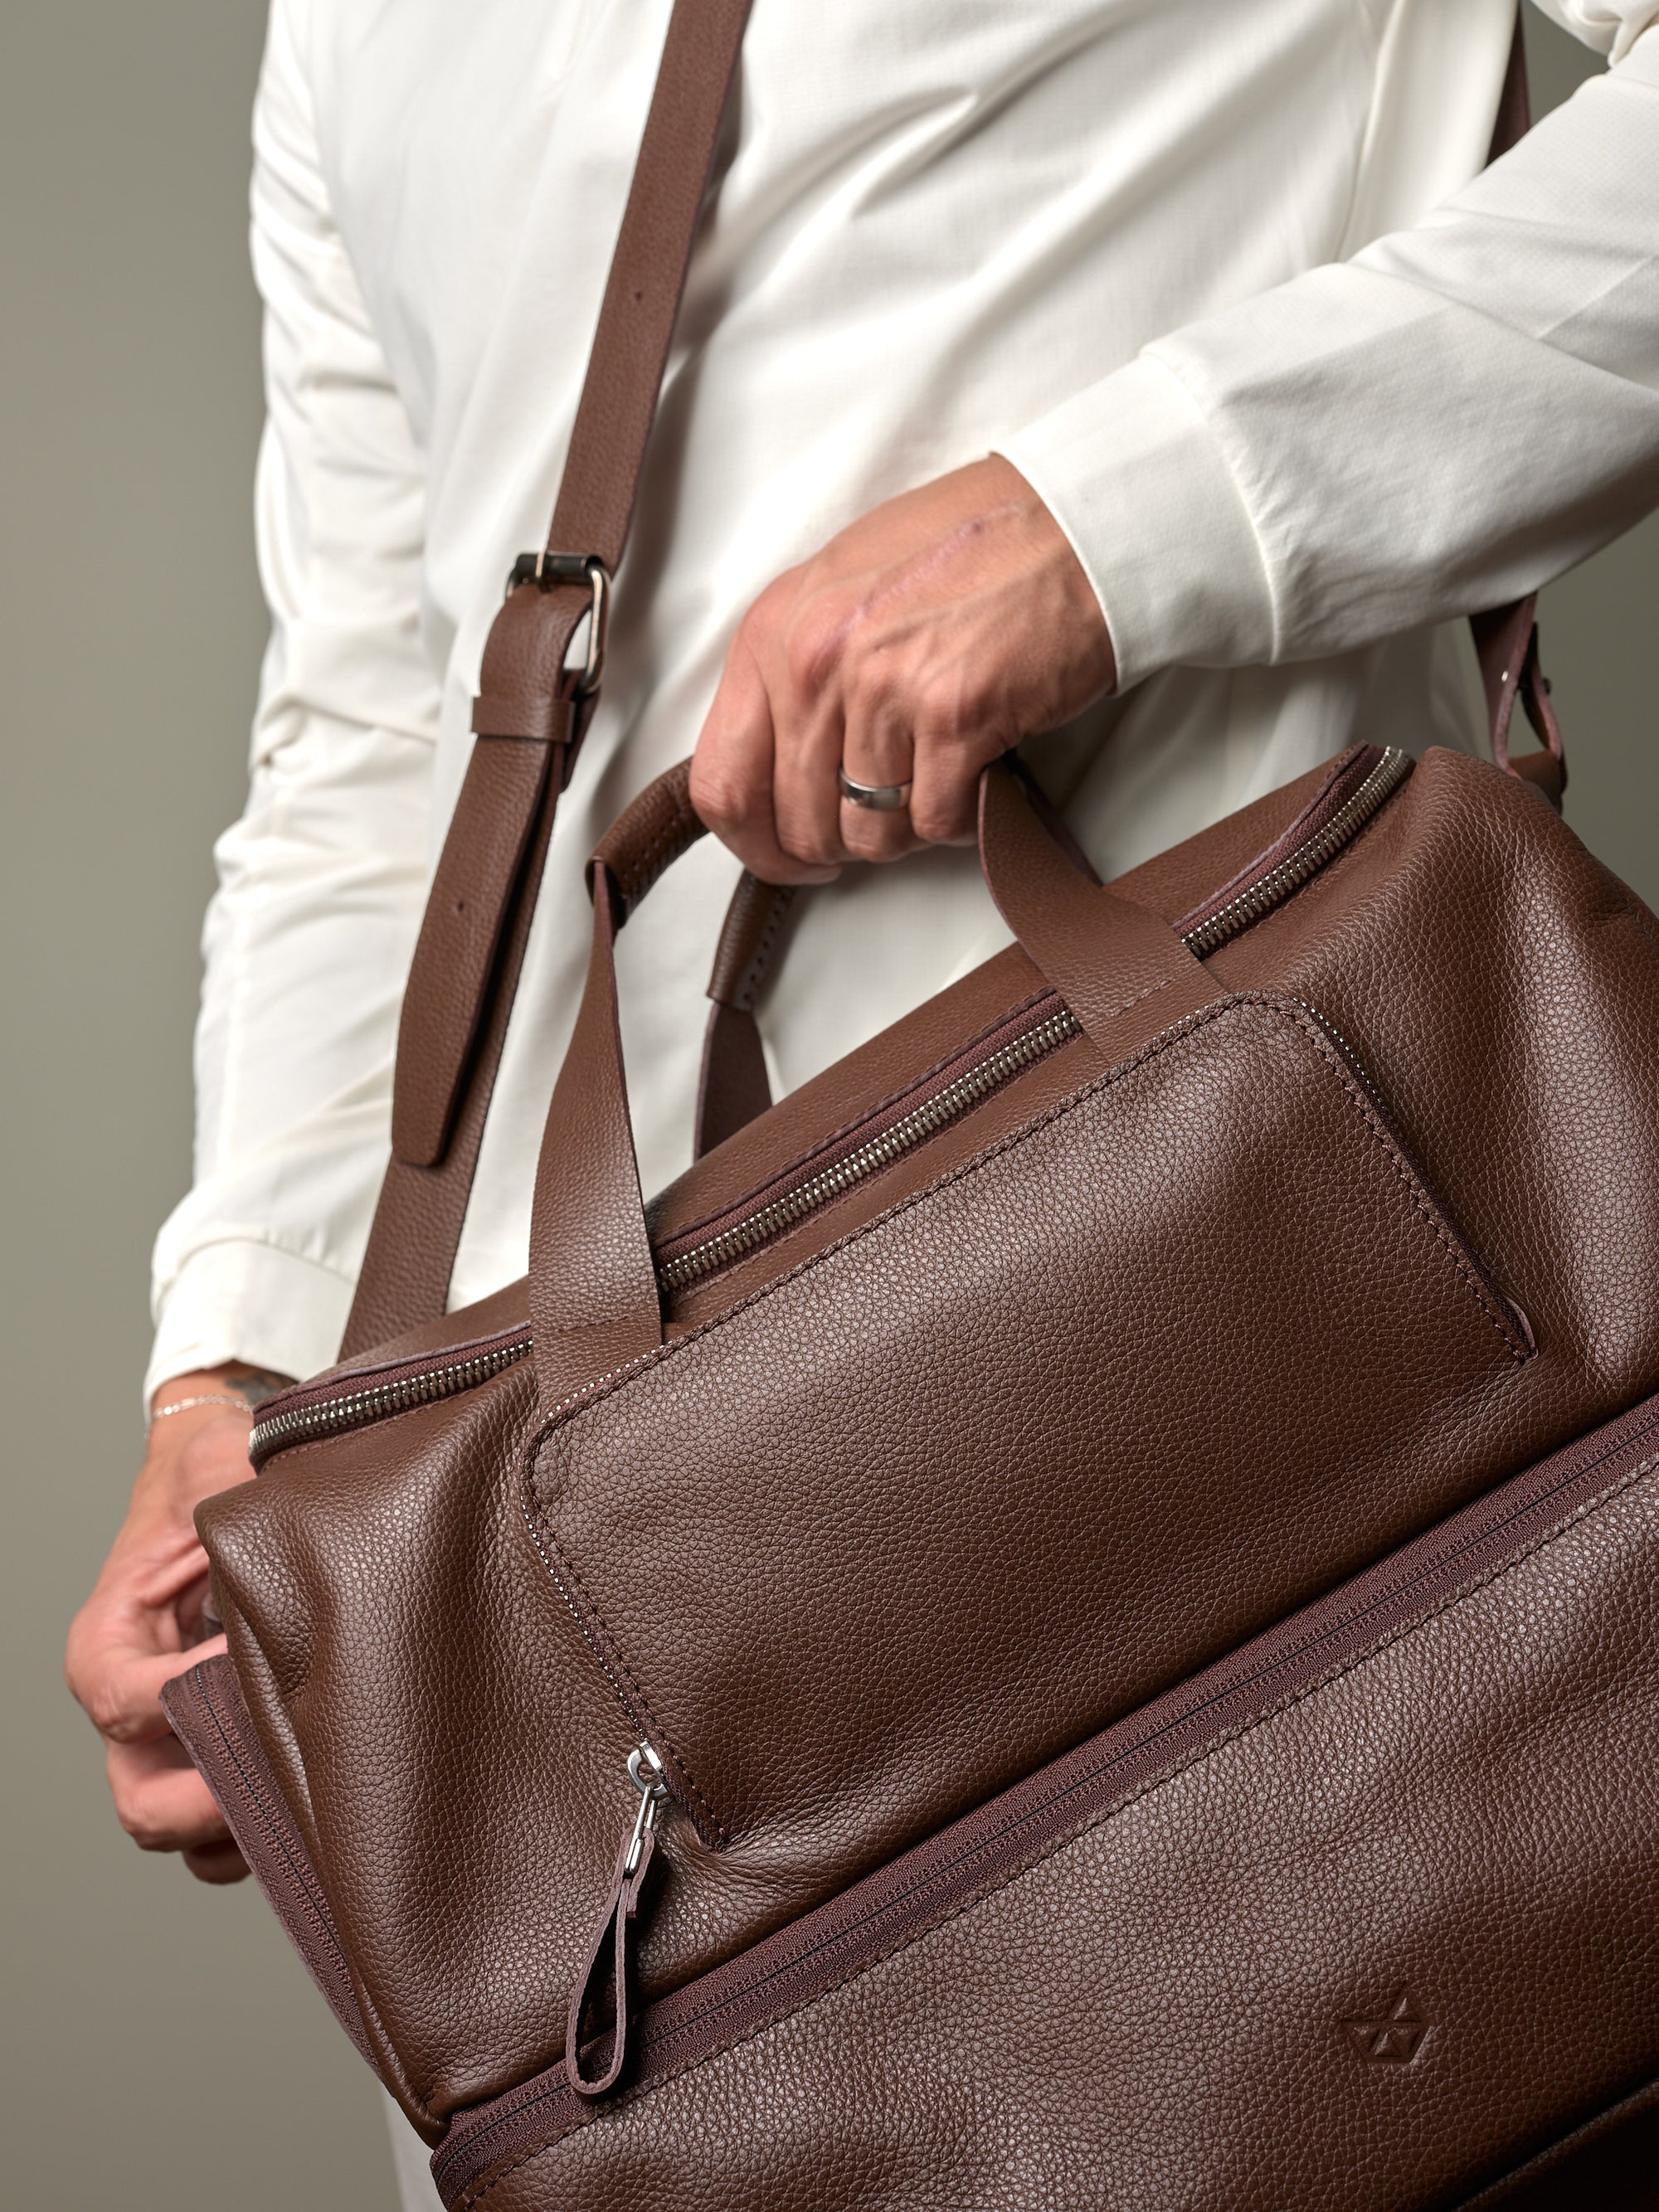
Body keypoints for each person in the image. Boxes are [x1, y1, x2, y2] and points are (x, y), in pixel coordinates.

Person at [66, 0, 1659, 2201]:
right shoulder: (342, 32)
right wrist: (234, 1366)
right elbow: (385, 725)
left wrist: (1124, 518)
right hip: (626, 1617)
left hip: (1267, 1347)